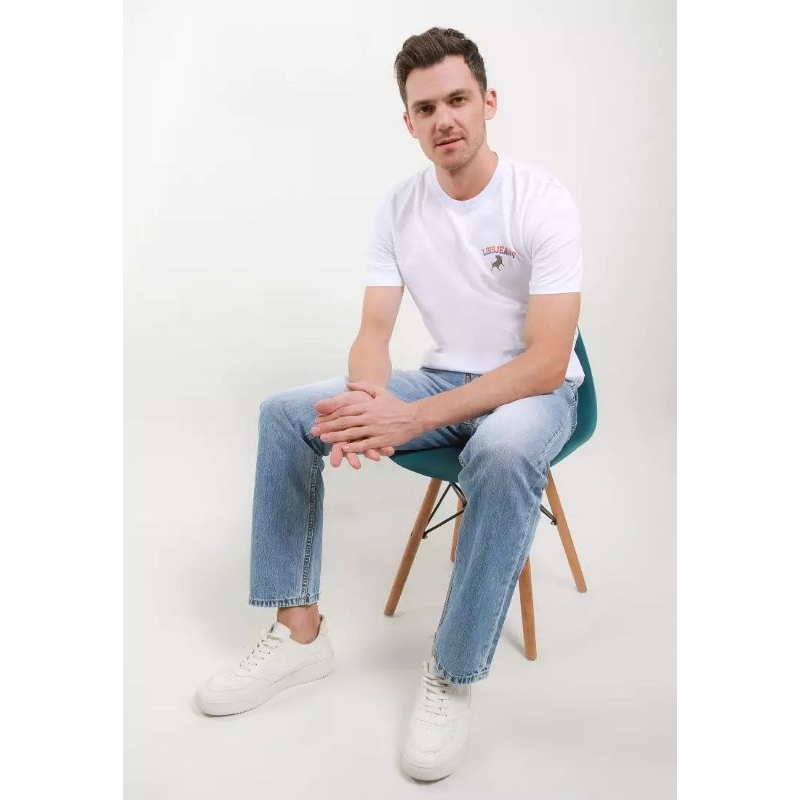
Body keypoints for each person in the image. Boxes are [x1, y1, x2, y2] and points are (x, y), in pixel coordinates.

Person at [196, 26, 584, 782]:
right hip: (440, 382)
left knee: (503, 450)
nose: (445, 119)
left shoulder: (541, 200)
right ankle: (300, 635)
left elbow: (545, 360)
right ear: (408, 122)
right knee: (287, 414)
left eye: (458, 100)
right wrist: (368, 401)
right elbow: (374, 331)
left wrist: (410, 419)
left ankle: (453, 670)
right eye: (426, 108)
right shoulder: (398, 208)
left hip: (535, 392)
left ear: (488, 102)